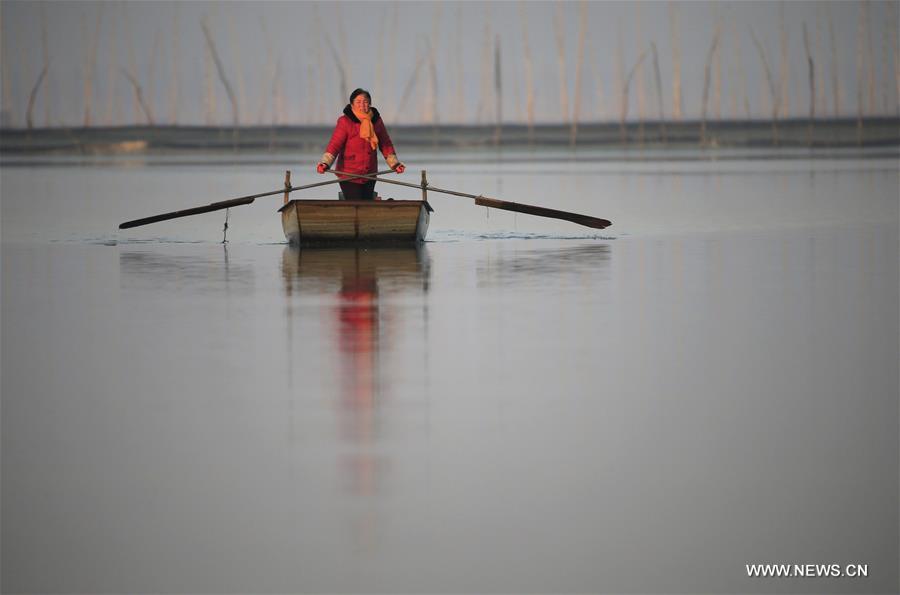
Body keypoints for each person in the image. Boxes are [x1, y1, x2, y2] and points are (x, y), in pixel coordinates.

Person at [316, 88, 405, 200]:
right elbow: (335, 144)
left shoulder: (376, 121)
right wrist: (325, 163)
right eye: (358, 102)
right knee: (356, 204)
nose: (362, 105)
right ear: (352, 104)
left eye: (365, 102)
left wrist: (395, 164)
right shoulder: (345, 121)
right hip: (349, 174)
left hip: (369, 174)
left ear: (370, 104)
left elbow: (385, 143)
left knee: (366, 204)